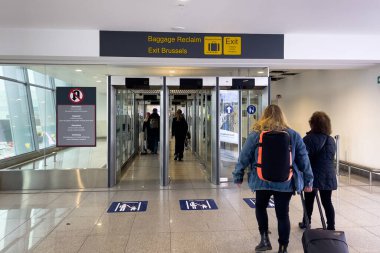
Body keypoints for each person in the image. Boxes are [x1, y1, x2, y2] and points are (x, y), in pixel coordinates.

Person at [232, 104, 314, 253]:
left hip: (261, 181)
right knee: (283, 214)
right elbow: (304, 159)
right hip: (285, 182)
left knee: (260, 207)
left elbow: (244, 156)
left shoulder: (256, 134)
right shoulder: (293, 135)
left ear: (264, 116)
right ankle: (283, 247)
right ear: (282, 116)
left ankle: (264, 240)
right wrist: (308, 181)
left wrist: (238, 175)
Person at [299, 111, 337, 230]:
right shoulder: (331, 140)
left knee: (309, 200)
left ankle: (306, 221)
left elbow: (303, 159)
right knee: (327, 201)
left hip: (313, 174)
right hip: (328, 174)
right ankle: (331, 226)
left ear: (313, 124)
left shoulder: (308, 139)